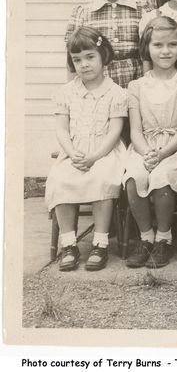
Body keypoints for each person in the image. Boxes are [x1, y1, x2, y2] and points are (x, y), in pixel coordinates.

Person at [46, 28, 127, 272]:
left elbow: (115, 131)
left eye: (90, 57)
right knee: (61, 180)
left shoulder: (116, 93)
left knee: (102, 178)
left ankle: (100, 242)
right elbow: (61, 129)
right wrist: (72, 153)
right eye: (77, 59)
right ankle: (69, 243)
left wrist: (95, 156)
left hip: (105, 150)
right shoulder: (66, 92)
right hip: (75, 151)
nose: (84, 64)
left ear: (103, 56)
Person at [122, 17, 177, 269]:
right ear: (147, 48)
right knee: (134, 177)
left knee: (161, 177)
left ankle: (164, 237)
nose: (165, 51)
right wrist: (147, 154)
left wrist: (162, 154)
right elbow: (135, 130)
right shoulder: (136, 86)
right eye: (158, 45)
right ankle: (146, 237)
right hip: (145, 145)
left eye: (172, 45)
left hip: (176, 146)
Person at [65, 0, 142, 88]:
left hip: (135, 86)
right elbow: (72, 58)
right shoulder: (82, 13)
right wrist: (73, 93)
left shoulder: (142, 11)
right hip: (96, 86)